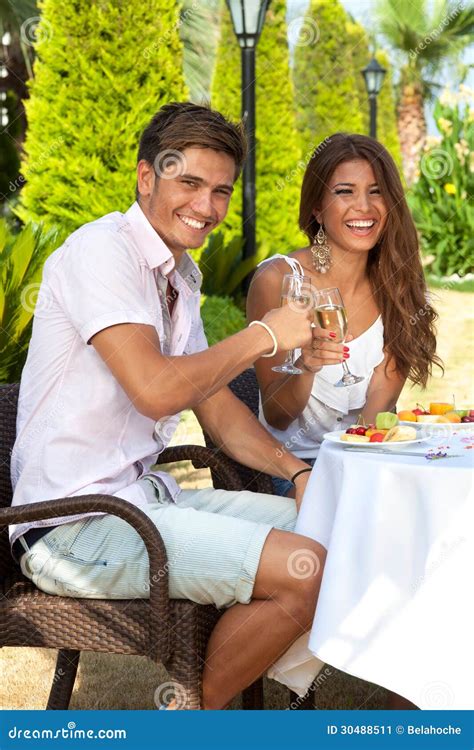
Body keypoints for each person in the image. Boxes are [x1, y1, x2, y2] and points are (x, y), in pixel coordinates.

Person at [9, 102, 326, 710]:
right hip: (71, 526)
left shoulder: (180, 275)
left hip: (145, 501)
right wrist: (264, 335)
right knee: (305, 565)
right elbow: (156, 388)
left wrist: (297, 472)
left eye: (221, 191)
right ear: (146, 177)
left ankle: (200, 711)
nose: (206, 208)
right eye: (190, 184)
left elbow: (218, 412)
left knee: (335, 536)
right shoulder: (101, 252)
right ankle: (188, 721)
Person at [247, 132, 442, 496]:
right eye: (345, 191)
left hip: (368, 457)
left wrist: (365, 471)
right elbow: (277, 415)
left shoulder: (397, 286)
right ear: (318, 208)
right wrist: (308, 366)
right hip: (293, 470)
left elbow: (375, 415)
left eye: (376, 191)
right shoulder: (279, 281)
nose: (364, 206)